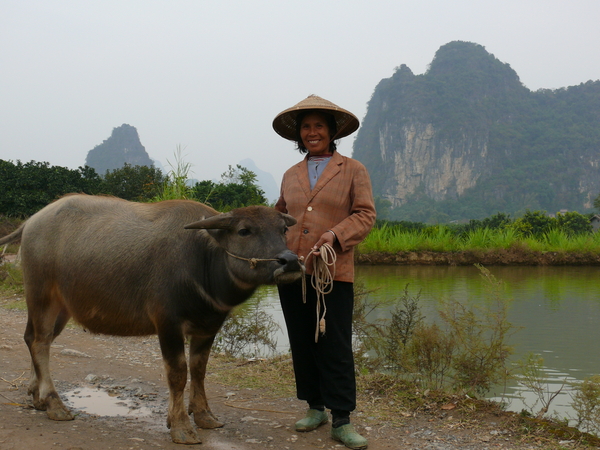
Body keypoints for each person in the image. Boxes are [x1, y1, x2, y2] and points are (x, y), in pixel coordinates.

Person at [272, 95, 376, 450]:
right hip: (293, 273)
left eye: (319, 126)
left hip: (333, 272)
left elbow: (365, 215)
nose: (312, 132)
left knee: (334, 345)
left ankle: (342, 419)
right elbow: (280, 216)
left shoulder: (353, 169)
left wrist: (334, 235)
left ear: (332, 133)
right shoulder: (290, 175)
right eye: (306, 127)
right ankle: (314, 407)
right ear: (298, 136)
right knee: (302, 341)